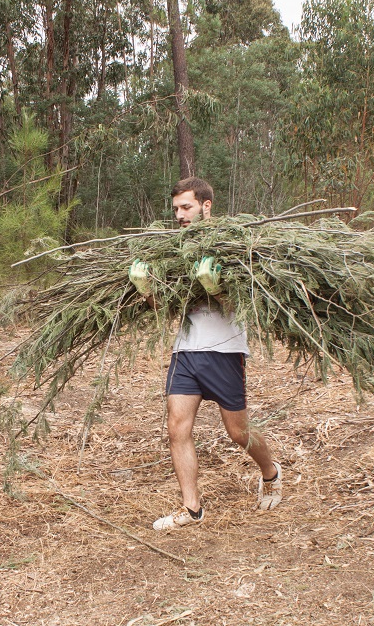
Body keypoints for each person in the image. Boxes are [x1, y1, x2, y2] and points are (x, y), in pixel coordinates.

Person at [129, 176, 282, 530]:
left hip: (225, 351)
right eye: (176, 210)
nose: (180, 215)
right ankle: (192, 508)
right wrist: (147, 289)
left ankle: (270, 472)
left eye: (187, 207)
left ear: (206, 205)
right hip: (186, 351)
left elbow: (245, 305)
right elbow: (165, 306)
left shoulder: (233, 244)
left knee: (238, 432)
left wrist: (216, 288)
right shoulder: (173, 251)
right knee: (176, 427)